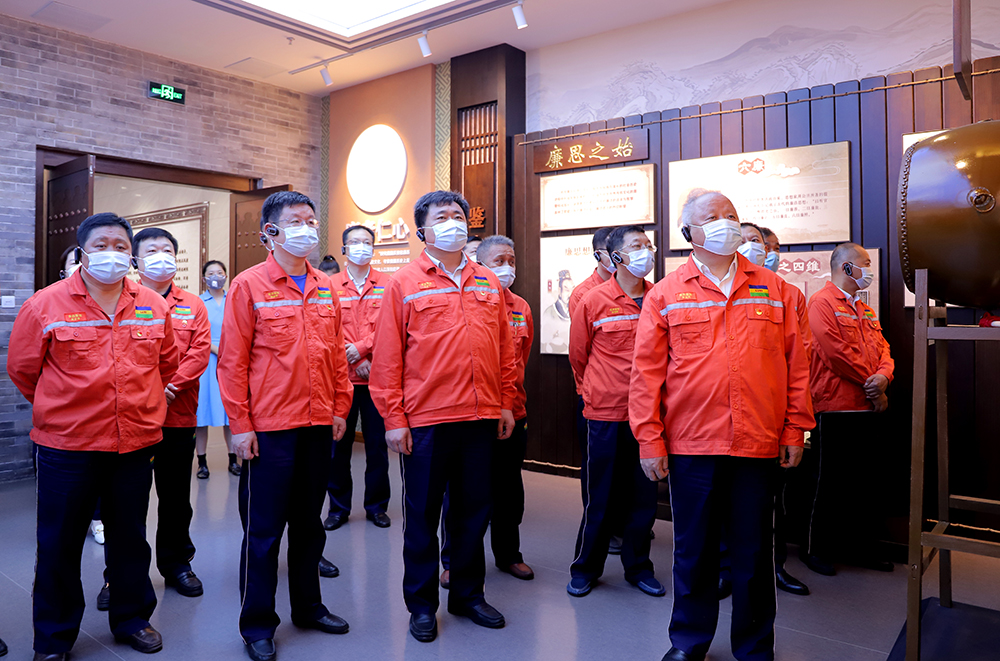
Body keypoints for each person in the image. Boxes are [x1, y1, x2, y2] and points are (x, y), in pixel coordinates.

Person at [629, 190, 813, 661]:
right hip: (692, 445)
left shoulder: (777, 290)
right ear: (688, 232)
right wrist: (649, 439)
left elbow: (797, 366)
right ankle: (689, 642)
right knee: (693, 550)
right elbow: (646, 374)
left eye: (731, 215)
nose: (725, 223)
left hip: (758, 442)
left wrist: (796, 428)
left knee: (753, 552)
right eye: (712, 217)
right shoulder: (665, 294)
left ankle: (754, 647)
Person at [8, 213, 180, 659]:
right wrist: (64, 407)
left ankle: (132, 618)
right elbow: (24, 370)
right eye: (102, 245)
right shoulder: (44, 305)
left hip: (134, 443)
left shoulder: (153, 305)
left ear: (131, 254)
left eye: (121, 246)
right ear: (83, 252)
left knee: (130, 538)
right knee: (59, 542)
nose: (112, 254)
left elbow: (166, 365)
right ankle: (54, 638)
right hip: (68, 446)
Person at [369, 190, 516, 643]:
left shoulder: (487, 281)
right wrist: (394, 418)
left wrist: (505, 401)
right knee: (422, 516)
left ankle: (468, 595)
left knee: (473, 512)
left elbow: (505, 349)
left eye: (458, 215)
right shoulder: (404, 283)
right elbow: (387, 357)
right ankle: (421, 605)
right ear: (423, 231)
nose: (453, 222)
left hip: (481, 416)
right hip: (426, 420)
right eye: (442, 216)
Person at [218, 191, 354, 661]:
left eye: (311, 220)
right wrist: (240, 426)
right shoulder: (248, 286)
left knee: (309, 526)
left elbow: (336, 354)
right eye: (296, 221)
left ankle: (309, 607)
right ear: (270, 232)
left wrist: (340, 407)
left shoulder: (325, 286)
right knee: (264, 532)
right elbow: (232, 363)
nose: (307, 229)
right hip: (270, 428)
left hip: (318, 423)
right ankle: (257, 624)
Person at [714, 224, 810, 599]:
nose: (759, 249)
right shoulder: (718, 290)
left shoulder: (786, 293)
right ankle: (725, 568)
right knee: (723, 502)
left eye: (764, 244)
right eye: (750, 241)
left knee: (771, 505)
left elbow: (800, 359)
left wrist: (795, 425)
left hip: (771, 421)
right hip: (721, 423)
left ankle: (774, 568)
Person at [566, 225, 662, 599]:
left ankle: (638, 567)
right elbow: (579, 356)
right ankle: (585, 568)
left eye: (648, 244)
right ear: (616, 255)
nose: (646, 251)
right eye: (637, 245)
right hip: (605, 413)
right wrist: (596, 390)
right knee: (600, 497)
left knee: (643, 498)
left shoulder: (659, 297)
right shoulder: (593, 300)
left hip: (649, 416)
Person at [440, 235, 535, 587]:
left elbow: (520, 359)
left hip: (513, 411)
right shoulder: (465, 300)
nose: (507, 267)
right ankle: (454, 560)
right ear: (479, 265)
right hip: (474, 414)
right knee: (464, 493)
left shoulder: (521, 307)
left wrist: (510, 401)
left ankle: (509, 554)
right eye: (499, 261)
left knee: (509, 491)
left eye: (511, 260)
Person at [801, 242, 894, 576]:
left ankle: (858, 549)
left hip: (866, 407)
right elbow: (835, 353)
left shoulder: (864, 308)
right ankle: (816, 550)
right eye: (864, 263)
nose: (869, 269)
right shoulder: (821, 302)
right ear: (846, 267)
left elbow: (883, 349)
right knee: (828, 484)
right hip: (834, 408)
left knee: (863, 484)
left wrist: (884, 377)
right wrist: (873, 385)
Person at [132, 227, 212, 598]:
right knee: (127, 501)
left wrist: (171, 388)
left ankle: (177, 564)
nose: (161, 256)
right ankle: (120, 575)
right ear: (136, 260)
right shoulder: (124, 301)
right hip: (133, 419)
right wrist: (149, 391)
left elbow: (199, 352)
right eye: (152, 251)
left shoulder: (192, 304)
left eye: (167, 250)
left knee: (176, 498)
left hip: (178, 416)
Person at [325, 225, 392, 531]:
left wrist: (363, 351)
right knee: (339, 445)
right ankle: (338, 508)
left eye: (367, 242)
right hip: (341, 380)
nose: (361, 246)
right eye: (355, 242)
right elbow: (326, 329)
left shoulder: (388, 284)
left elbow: (391, 326)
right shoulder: (328, 285)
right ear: (344, 249)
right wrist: (354, 357)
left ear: (373, 249)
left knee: (377, 447)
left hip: (378, 379)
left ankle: (377, 507)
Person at [195, 260, 240, 478]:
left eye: (220, 272)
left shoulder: (235, 299)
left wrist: (230, 352)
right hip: (207, 362)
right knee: (202, 413)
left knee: (230, 414)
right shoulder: (198, 302)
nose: (216, 276)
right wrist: (219, 350)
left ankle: (233, 460)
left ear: (226, 276)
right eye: (211, 273)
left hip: (231, 362)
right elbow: (198, 334)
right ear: (204, 278)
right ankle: (202, 462)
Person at [540, 270, 573, 353]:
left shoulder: (575, 309)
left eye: (572, 290)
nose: (570, 294)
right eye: (566, 290)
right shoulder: (549, 312)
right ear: (559, 290)